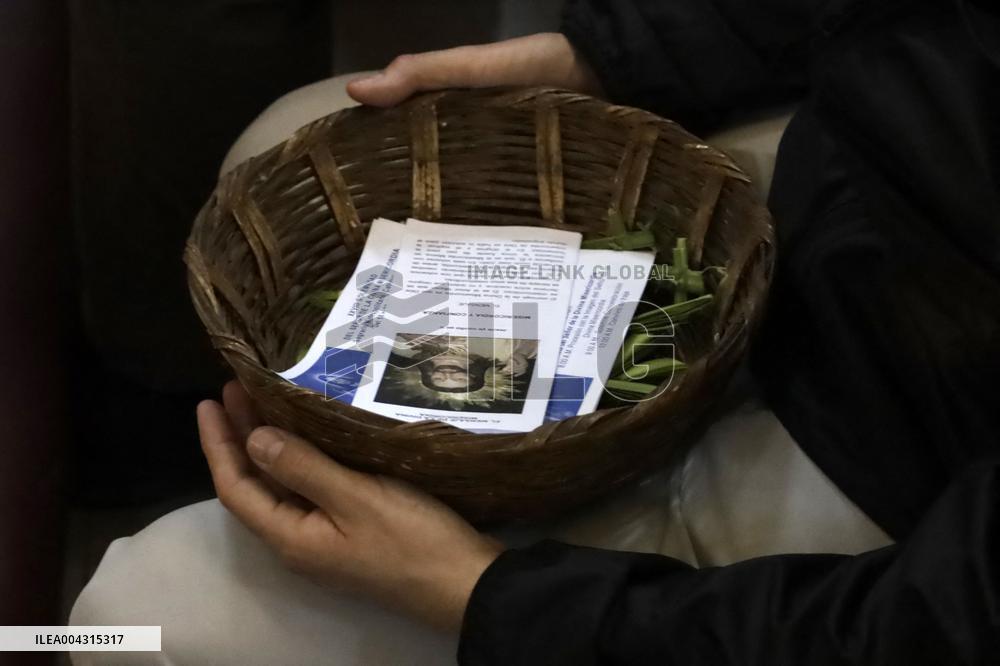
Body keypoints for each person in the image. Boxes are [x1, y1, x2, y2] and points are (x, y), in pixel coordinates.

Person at [71, 1, 1000, 664]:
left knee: (132, 611)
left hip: (899, 495)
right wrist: (609, 54)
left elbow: (943, 621)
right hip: (857, 208)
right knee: (298, 136)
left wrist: (483, 597)